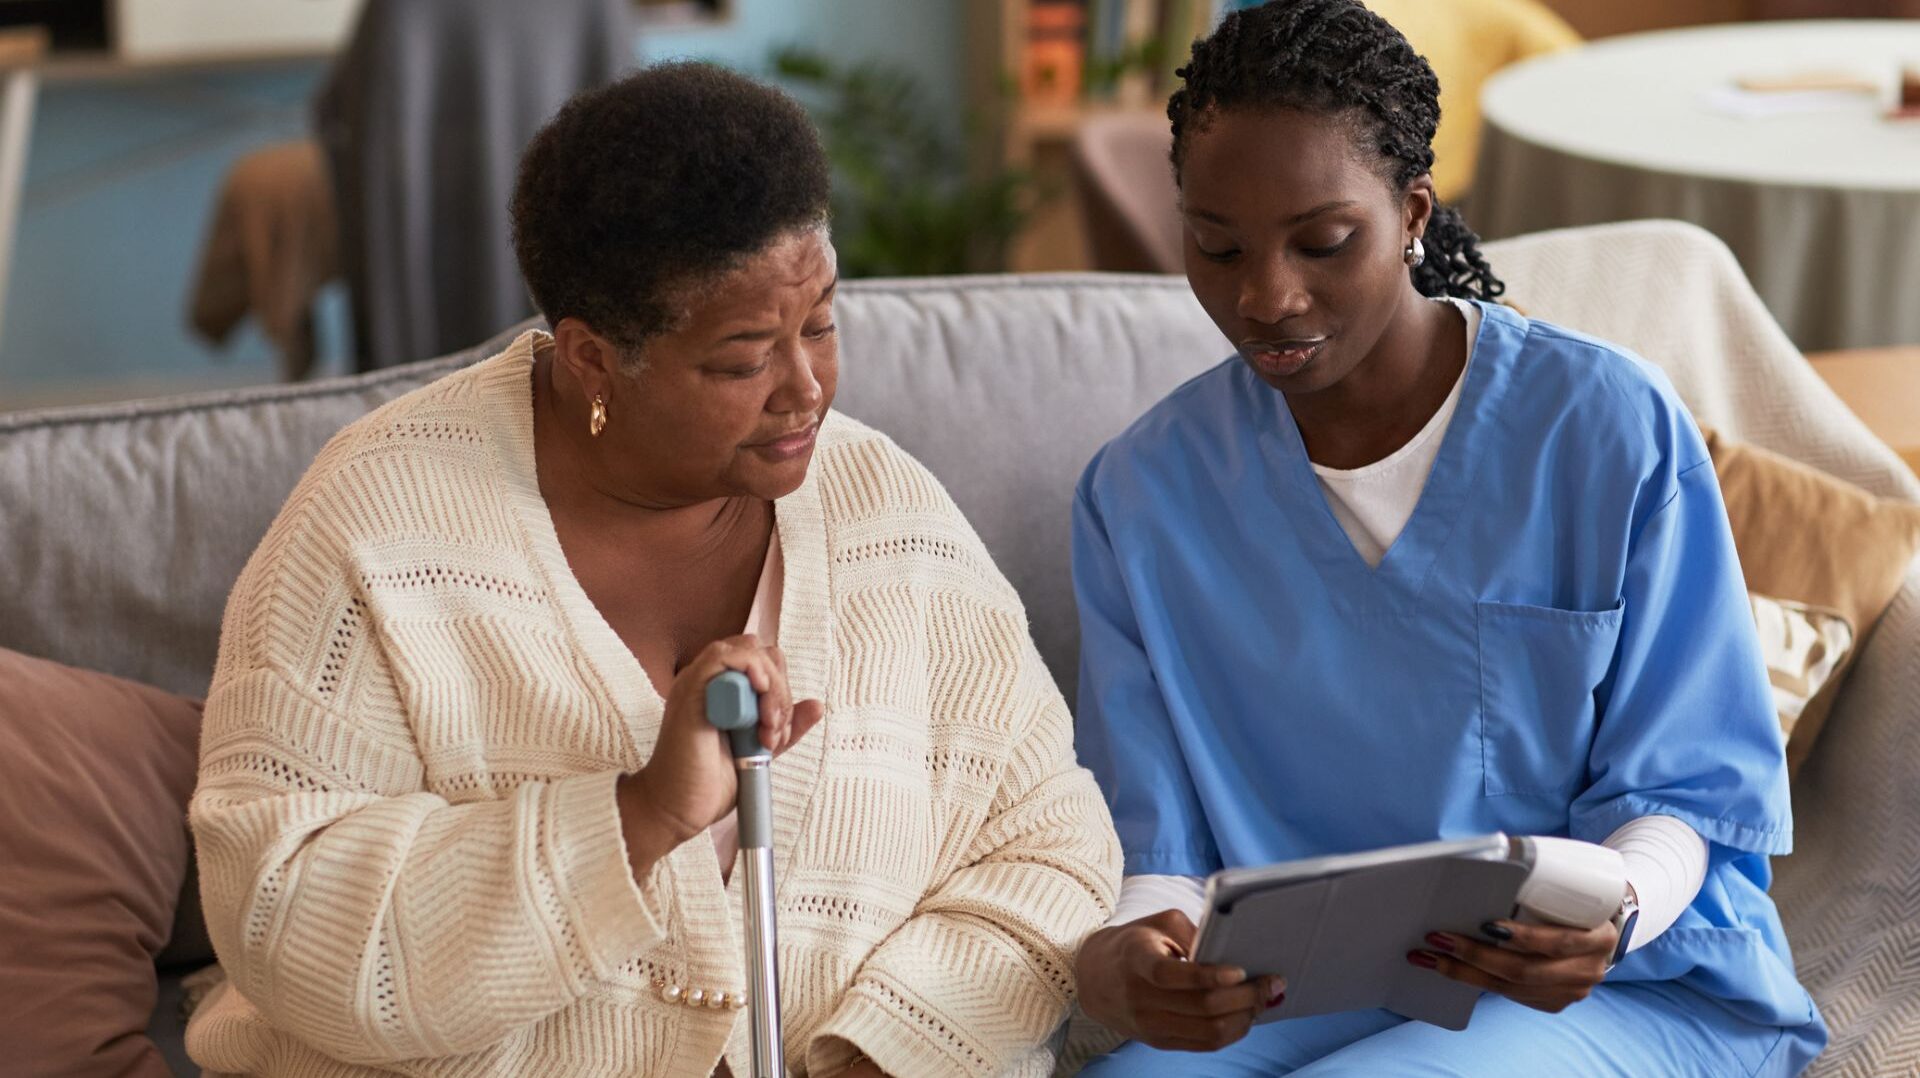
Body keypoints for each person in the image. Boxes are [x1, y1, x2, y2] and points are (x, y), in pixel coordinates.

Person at [184, 63, 1119, 1078]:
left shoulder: (886, 512)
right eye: (741, 360)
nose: (806, 389)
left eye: (821, 324)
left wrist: (889, 1055)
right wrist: (636, 818)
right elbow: (279, 911)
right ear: (589, 356)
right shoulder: (375, 530)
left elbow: (1050, 845)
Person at [1067, 2, 1826, 1074]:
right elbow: (1161, 848)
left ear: (1413, 211)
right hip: (1301, 990)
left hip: (1620, 982)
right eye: (1217, 245)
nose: (1266, 296)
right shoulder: (1141, 494)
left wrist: (1613, 913)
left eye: (1324, 242)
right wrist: (1140, 955)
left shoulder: (1605, 426)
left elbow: (1685, 790)